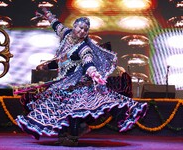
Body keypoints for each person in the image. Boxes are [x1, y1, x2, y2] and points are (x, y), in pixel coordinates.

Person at [14, 8, 148, 146]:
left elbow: (87, 62)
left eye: (86, 30)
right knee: (58, 107)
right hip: (63, 82)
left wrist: (94, 73)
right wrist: (47, 15)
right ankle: (63, 135)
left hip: (78, 84)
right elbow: (56, 25)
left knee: (74, 110)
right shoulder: (65, 34)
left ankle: (73, 137)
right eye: (81, 28)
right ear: (74, 26)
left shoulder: (84, 48)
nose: (82, 31)